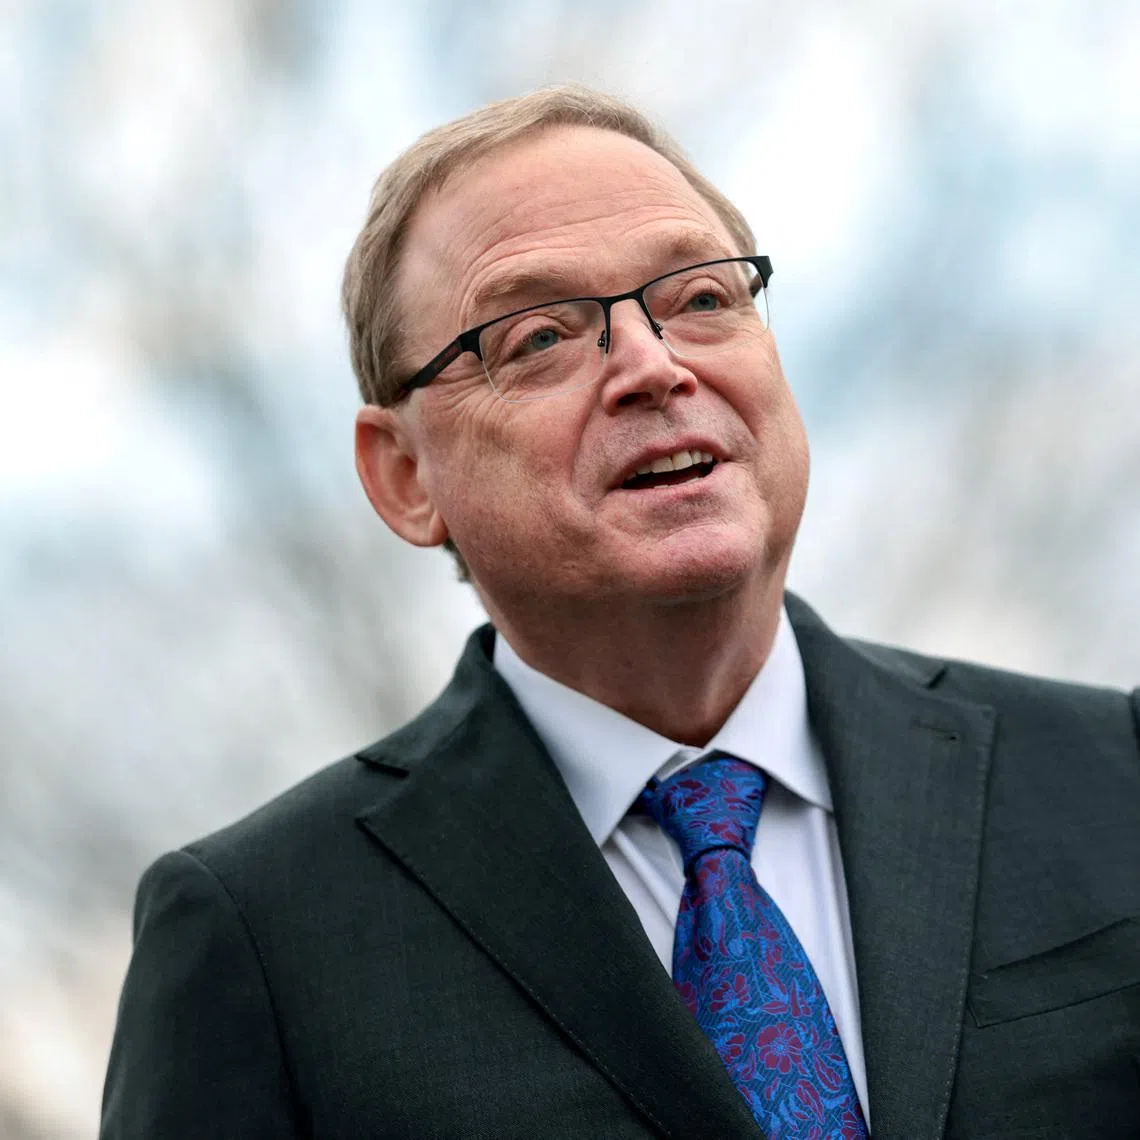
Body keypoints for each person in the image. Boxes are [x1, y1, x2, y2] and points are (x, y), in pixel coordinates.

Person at [101, 86, 1140, 1139]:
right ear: (406, 474)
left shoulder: (1113, 774)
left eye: (699, 299)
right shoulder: (262, 936)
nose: (654, 366)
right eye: (541, 334)